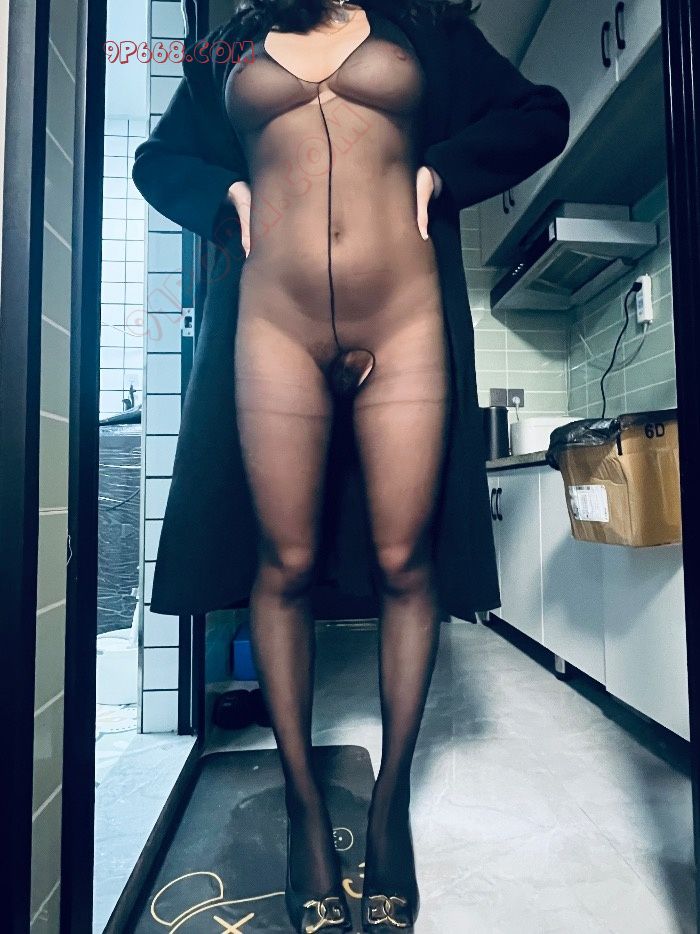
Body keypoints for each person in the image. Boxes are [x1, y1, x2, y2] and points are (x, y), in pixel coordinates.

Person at [132, 1, 570, 929]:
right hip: (272, 322)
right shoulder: (228, 41)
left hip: (404, 317)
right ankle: (304, 810)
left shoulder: (427, 28)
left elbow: (540, 112)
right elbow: (157, 158)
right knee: (283, 564)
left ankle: (389, 807)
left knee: (406, 562)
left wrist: (444, 170)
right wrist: (223, 194)